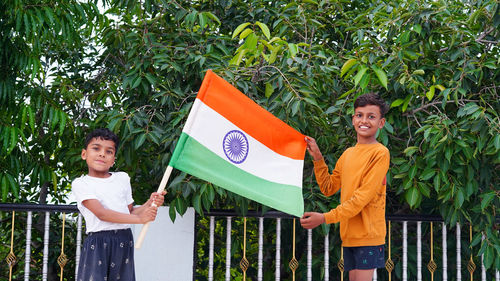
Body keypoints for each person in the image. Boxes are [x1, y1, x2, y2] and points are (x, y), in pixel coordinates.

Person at [300, 93, 390, 281]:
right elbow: (328, 187)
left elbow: (361, 199)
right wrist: (317, 157)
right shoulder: (348, 154)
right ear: (353, 119)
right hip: (349, 236)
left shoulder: (380, 153)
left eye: (371, 116)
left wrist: (324, 218)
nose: (364, 120)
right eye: (359, 115)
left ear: (381, 123)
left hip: (369, 236)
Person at [72, 128, 166, 281]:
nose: (102, 154)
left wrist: (150, 203)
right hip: (98, 242)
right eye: (96, 148)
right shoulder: (81, 183)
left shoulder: (122, 178)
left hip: (124, 240)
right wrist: (141, 220)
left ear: (114, 158)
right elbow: (102, 214)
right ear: (84, 154)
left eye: (109, 151)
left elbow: (129, 213)